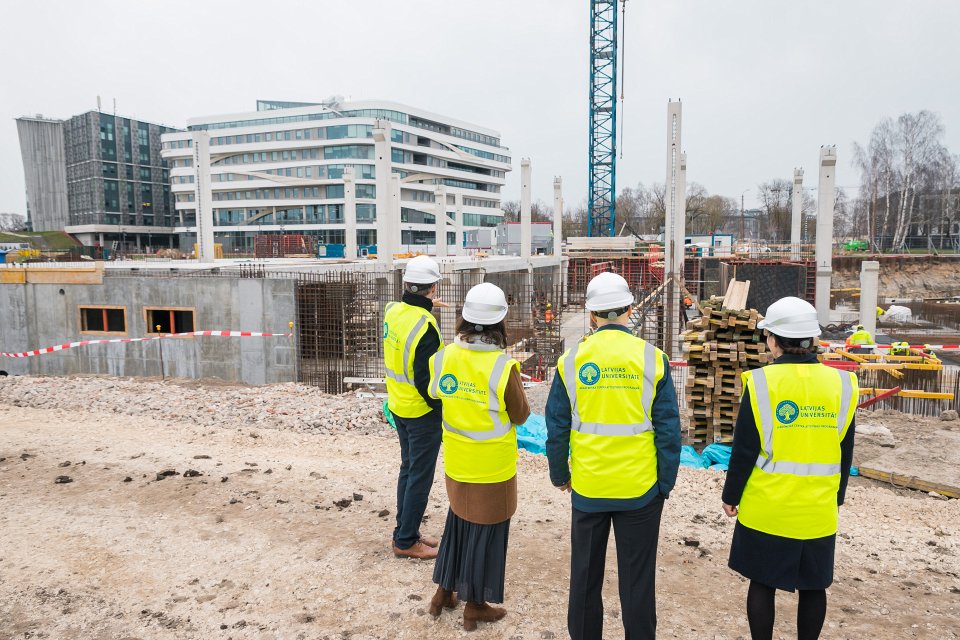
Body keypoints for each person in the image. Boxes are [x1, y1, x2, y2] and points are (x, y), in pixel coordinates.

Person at [546, 272, 681, 640]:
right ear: (630, 310)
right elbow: (669, 430)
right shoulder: (653, 360)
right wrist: (664, 484)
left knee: (585, 579)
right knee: (638, 582)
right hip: (640, 490)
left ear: (591, 316)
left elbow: (556, 428)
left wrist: (560, 475)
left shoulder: (570, 362)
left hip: (589, 488)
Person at [721, 296, 857, 640]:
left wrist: (731, 495)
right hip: (817, 509)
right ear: (811, 339)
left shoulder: (761, 383)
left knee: (762, 582)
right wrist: (837, 497)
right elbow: (845, 450)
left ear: (774, 339)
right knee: (814, 586)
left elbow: (745, 449)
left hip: (768, 508)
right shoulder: (842, 385)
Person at [428, 282, 530, 631]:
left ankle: (443, 592)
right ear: (501, 323)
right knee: (487, 536)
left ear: (464, 319)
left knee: (458, 525)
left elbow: (433, 392)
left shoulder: (443, 357)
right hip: (492, 469)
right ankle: (475, 605)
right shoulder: (503, 368)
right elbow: (520, 415)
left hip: (457, 463)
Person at [383, 255, 446, 560]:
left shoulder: (393, 311)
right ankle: (406, 540)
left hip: (398, 404)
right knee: (419, 475)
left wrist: (429, 304)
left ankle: (405, 531)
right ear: (433, 287)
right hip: (420, 411)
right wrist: (441, 411)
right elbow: (427, 381)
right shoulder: (426, 328)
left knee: (408, 470)